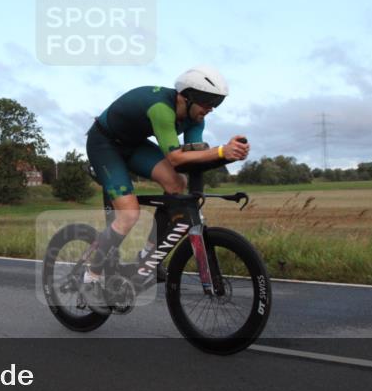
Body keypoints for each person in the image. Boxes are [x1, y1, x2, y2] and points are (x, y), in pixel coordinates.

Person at [81, 65, 250, 313]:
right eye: (207, 101)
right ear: (186, 96)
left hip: (134, 144)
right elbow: (175, 159)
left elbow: (195, 160)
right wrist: (222, 150)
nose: (211, 108)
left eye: (217, 103)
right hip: (104, 144)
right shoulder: (162, 108)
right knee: (128, 214)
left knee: (177, 185)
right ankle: (91, 278)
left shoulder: (195, 119)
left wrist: (227, 157)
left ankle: (147, 257)